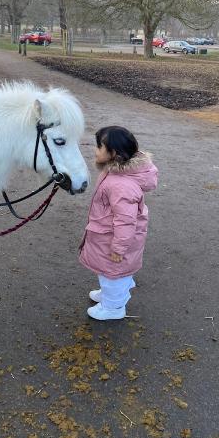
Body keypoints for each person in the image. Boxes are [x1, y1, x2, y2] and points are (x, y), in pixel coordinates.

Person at [79, 126, 158, 320]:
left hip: (114, 240)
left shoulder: (121, 184)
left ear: (113, 153)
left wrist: (119, 248)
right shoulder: (115, 173)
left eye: (99, 147)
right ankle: (112, 293)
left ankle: (114, 308)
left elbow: (125, 221)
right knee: (112, 272)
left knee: (113, 273)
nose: (95, 150)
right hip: (107, 234)